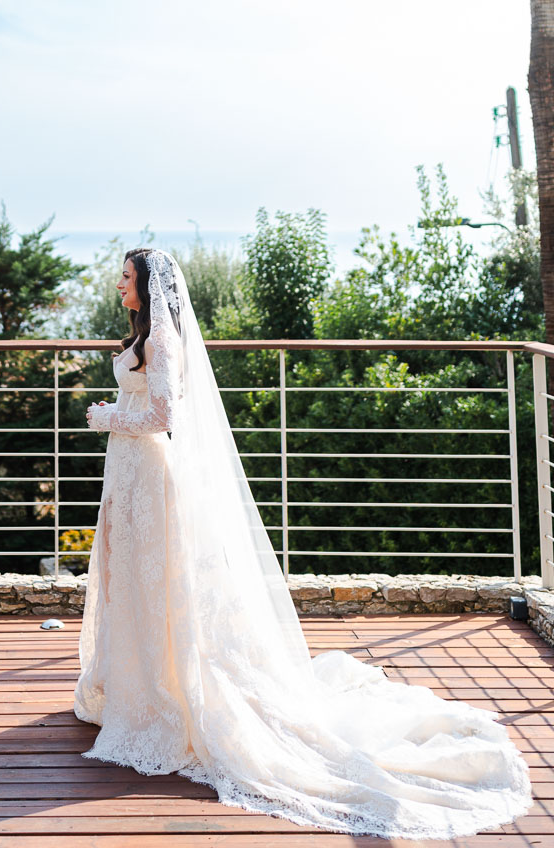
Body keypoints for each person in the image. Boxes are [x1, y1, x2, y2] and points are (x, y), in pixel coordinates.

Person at [74, 247, 531, 839]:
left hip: (148, 469)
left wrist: (108, 415)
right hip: (131, 473)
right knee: (131, 578)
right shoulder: (146, 336)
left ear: (150, 286)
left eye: (127, 277)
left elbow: (164, 416)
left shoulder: (163, 343)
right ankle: (136, 684)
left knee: (156, 581)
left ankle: (162, 698)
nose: (119, 285)